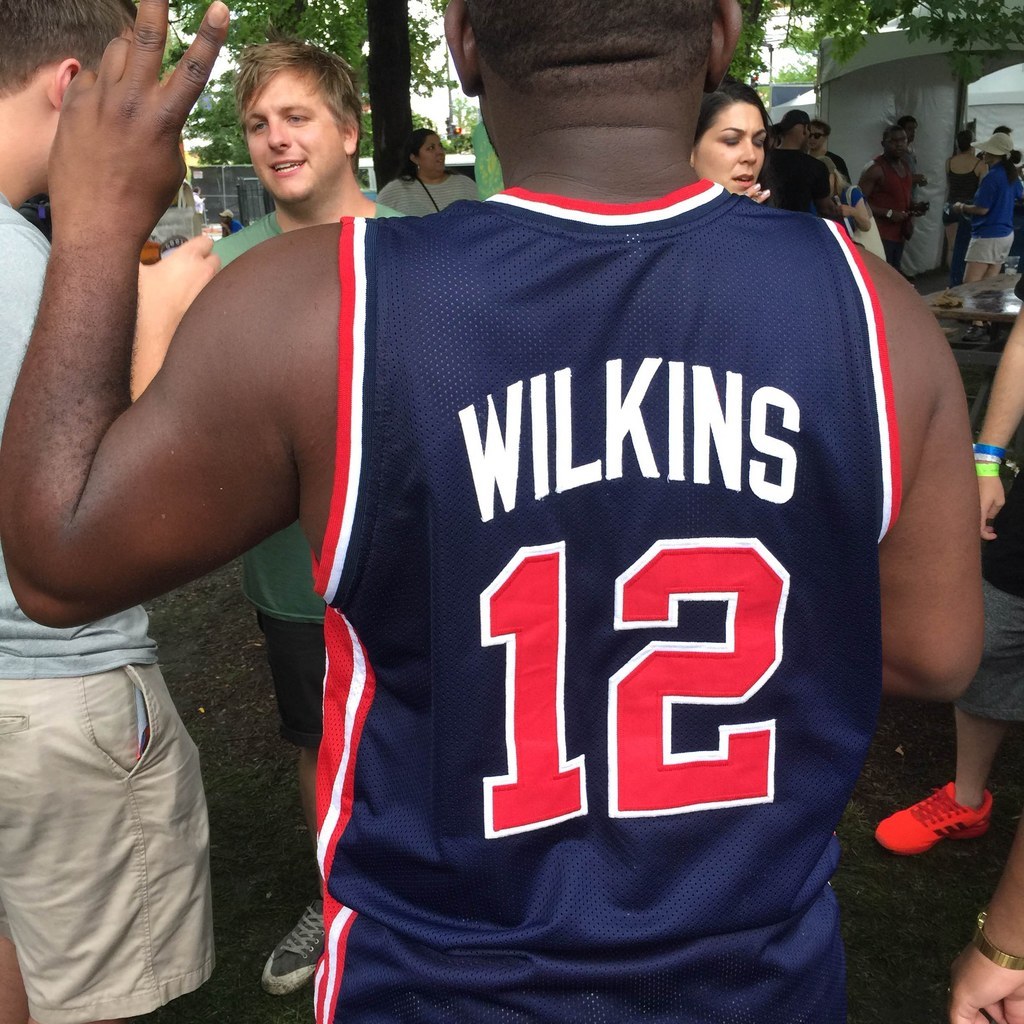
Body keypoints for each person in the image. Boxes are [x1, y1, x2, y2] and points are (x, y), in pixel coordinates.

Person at [0, 1, 984, 1022]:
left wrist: (101, 220)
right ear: (722, 34)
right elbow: (933, 651)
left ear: (463, 41)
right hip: (754, 982)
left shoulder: (319, 305)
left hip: (436, 981)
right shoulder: (875, 312)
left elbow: (58, 559)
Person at [133, 36, 403, 998]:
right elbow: (152, 431)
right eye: (257, 123)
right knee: (317, 745)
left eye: (296, 117)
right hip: (294, 579)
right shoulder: (223, 268)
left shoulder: (417, 250)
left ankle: (434, 902)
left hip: (418, 560)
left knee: (434, 730)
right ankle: (334, 900)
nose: (276, 139)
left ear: (347, 127)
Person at [0, 3, 214, 1024]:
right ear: (73, 84)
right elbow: (88, 514)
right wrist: (160, 325)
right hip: (56, 702)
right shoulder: (23, 271)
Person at [691, 77, 771, 202]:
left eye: (759, 142)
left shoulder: (787, 221)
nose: (751, 156)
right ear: (689, 149)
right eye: (732, 141)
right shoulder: (656, 218)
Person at [376, 128, 480, 214]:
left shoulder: (465, 185)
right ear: (414, 158)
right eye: (431, 148)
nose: (439, 152)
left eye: (440, 146)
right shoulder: (396, 191)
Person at [860, 124, 919, 273]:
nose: (899, 144)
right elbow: (858, 203)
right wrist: (888, 213)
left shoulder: (905, 166)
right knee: (881, 278)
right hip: (879, 235)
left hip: (899, 236)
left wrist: (914, 206)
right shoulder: (875, 169)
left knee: (894, 275)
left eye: (903, 140)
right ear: (883, 143)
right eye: (894, 141)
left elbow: (902, 196)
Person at [770, 109, 837, 217]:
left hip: (765, 227)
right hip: (799, 229)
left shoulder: (763, 160)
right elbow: (826, 209)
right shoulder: (816, 167)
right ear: (806, 129)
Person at [944, 129, 987, 287]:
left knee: (951, 247)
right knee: (966, 247)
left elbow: (949, 185)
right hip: (967, 209)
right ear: (972, 144)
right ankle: (963, 281)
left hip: (950, 206)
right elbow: (983, 189)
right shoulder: (979, 164)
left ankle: (952, 280)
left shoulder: (949, 161)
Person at [808, 118, 850, 182]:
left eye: (817, 135)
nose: (812, 138)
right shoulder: (801, 158)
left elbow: (845, 185)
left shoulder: (836, 160)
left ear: (825, 137)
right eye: (809, 135)